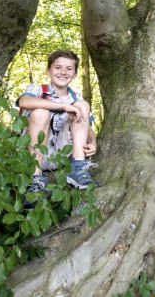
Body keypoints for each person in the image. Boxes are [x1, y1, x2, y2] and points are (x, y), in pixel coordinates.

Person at [17, 49, 97, 209]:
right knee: (40, 113)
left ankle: (78, 168)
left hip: (61, 154)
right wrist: (62, 106)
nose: (63, 72)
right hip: (36, 154)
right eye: (58, 67)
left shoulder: (76, 97)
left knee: (82, 106)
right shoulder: (37, 89)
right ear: (48, 71)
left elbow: (87, 127)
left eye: (69, 69)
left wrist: (93, 142)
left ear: (74, 74)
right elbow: (23, 101)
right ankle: (35, 180)